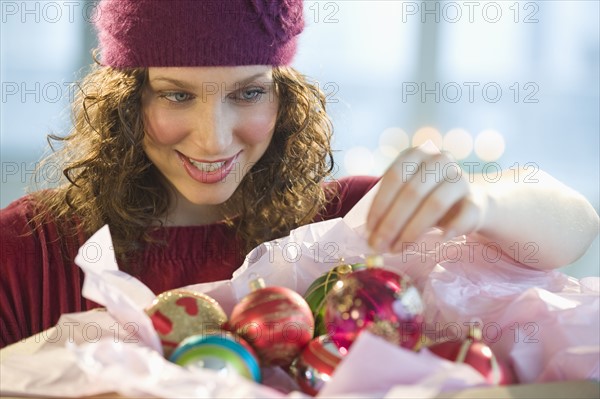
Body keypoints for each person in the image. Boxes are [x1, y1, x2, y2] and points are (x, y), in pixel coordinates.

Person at [0, 0, 597, 349]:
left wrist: (482, 201)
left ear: (286, 101)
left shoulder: (351, 223)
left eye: (248, 93)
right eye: (176, 96)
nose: (213, 137)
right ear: (127, 104)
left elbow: (574, 227)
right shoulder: (30, 249)